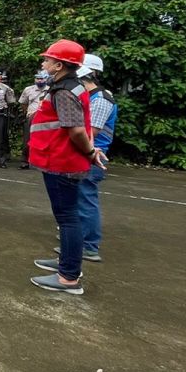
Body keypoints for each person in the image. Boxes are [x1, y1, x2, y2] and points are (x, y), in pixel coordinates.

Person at [29, 39, 107, 295]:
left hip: (63, 161)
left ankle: (68, 277)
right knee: (67, 216)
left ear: (59, 65)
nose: (44, 63)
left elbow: (75, 130)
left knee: (68, 218)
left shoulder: (64, 91)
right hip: (61, 159)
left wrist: (89, 151)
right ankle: (68, 263)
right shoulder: (71, 86)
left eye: (48, 60)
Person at [70, 53, 116, 263]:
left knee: (86, 200)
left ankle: (89, 246)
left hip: (93, 156)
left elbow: (91, 133)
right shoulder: (91, 97)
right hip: (83, 154)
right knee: (77, 200)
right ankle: (78, 240)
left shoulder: (101, 99)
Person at [16, 70, 50, 170]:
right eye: (37, 78)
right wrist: (29, 113)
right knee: (27, 140)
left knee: (44, 141)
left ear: (46, 79)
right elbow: (23, 103)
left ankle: (42, 162)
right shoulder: (28, 89)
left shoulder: (51, 89)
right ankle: (25, 161)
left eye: (42, 78)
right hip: (31, 117)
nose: (39, 80)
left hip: (45, 119)